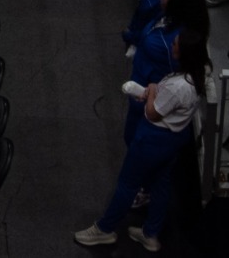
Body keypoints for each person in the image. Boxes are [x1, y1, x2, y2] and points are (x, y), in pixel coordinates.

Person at [75, 33, 205, 248]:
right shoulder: (198, 75)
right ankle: (151, 233)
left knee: (128, 183)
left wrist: (152, 90)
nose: (172, 44)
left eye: (175, 44)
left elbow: (154, 113)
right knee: (160, 184)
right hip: (173, 139)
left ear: (184, 53)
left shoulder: (178, 85)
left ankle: (104, 229)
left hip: (154, 139)